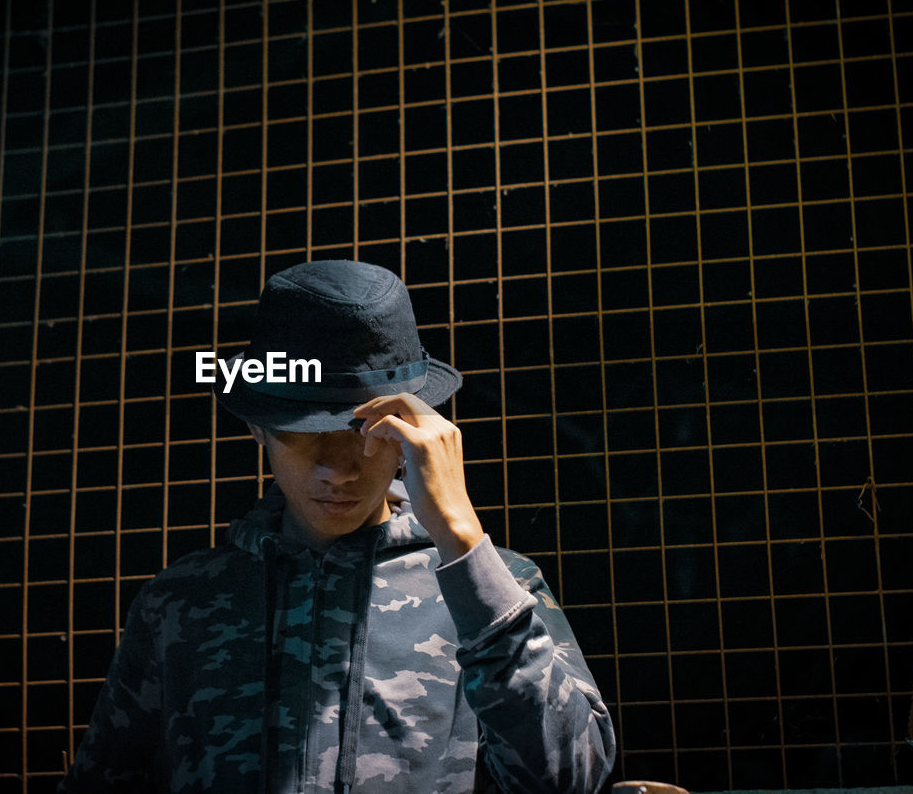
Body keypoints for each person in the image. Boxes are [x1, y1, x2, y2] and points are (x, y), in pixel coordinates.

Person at [60, 260, 616, 793]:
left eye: (365, 429)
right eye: (304, 432)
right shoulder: (179, 604)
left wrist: (463, 538)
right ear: (259, 425)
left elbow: (569, 781)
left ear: (415, 430)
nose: (337, 468)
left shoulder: (496, 586)